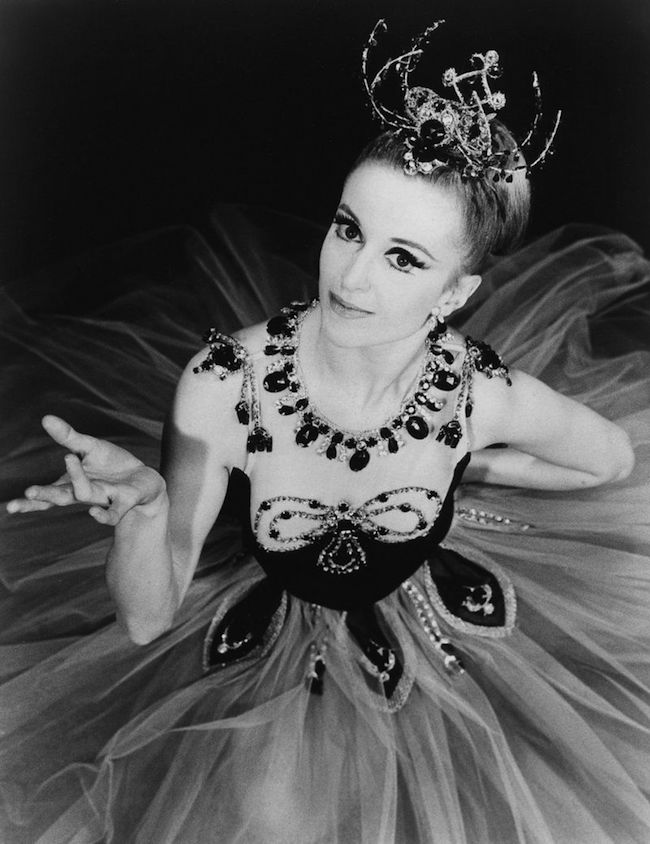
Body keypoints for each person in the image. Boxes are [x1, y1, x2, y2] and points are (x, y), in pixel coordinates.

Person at [2, 19, 650, 844]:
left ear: (455, 295)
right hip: (267, 654)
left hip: (438, 623)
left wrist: (468, 472)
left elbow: (611, 463)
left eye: (404, 258)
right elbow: (144, 620)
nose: (350, 276)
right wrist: (145, 519)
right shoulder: (223, 388)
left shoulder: (482, 397)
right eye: (349, 229)